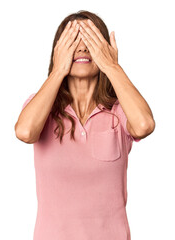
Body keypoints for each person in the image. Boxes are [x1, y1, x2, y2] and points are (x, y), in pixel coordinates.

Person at [14, 10, 155, 240]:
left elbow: (144, 124)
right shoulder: (42, 108)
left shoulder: (119, 111)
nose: (82, 48)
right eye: (73, 41)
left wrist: (111, 66)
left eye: (90, 40)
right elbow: (25, 131)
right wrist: (59, 69)